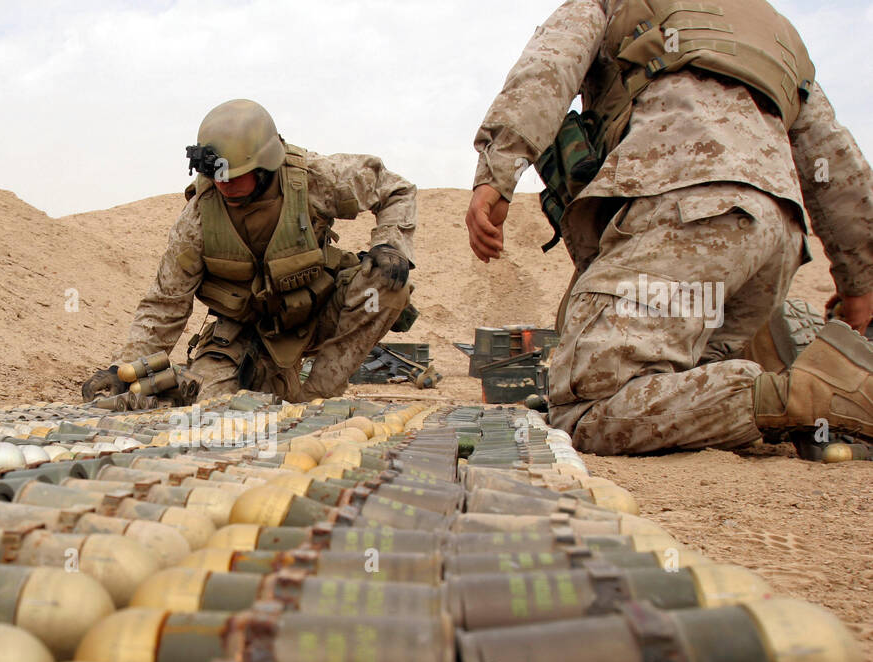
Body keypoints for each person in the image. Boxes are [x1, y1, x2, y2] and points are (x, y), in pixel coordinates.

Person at [465, 0, 873, 454]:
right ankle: (812, 417)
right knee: (683, 375)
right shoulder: (775, 30)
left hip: (683, 208)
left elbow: (547, 69)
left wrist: (497, 172)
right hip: (774, 241)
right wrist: (860, 283)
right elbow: (834, 163)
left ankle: (809, 395)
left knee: (589, 406)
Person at [82, 99, 418, 405]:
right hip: (241, 334)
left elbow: (395, 189)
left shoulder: (314, 179)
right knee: (206, 405)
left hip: (317, 316)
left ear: (265, 165)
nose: (223, 185)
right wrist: (123, 369)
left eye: (233, 175)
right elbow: (165, 304)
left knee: (387, 282)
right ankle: (276, 383)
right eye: (215, 176)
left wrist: (390, 244)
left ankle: (315, 399)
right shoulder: (199, 217)